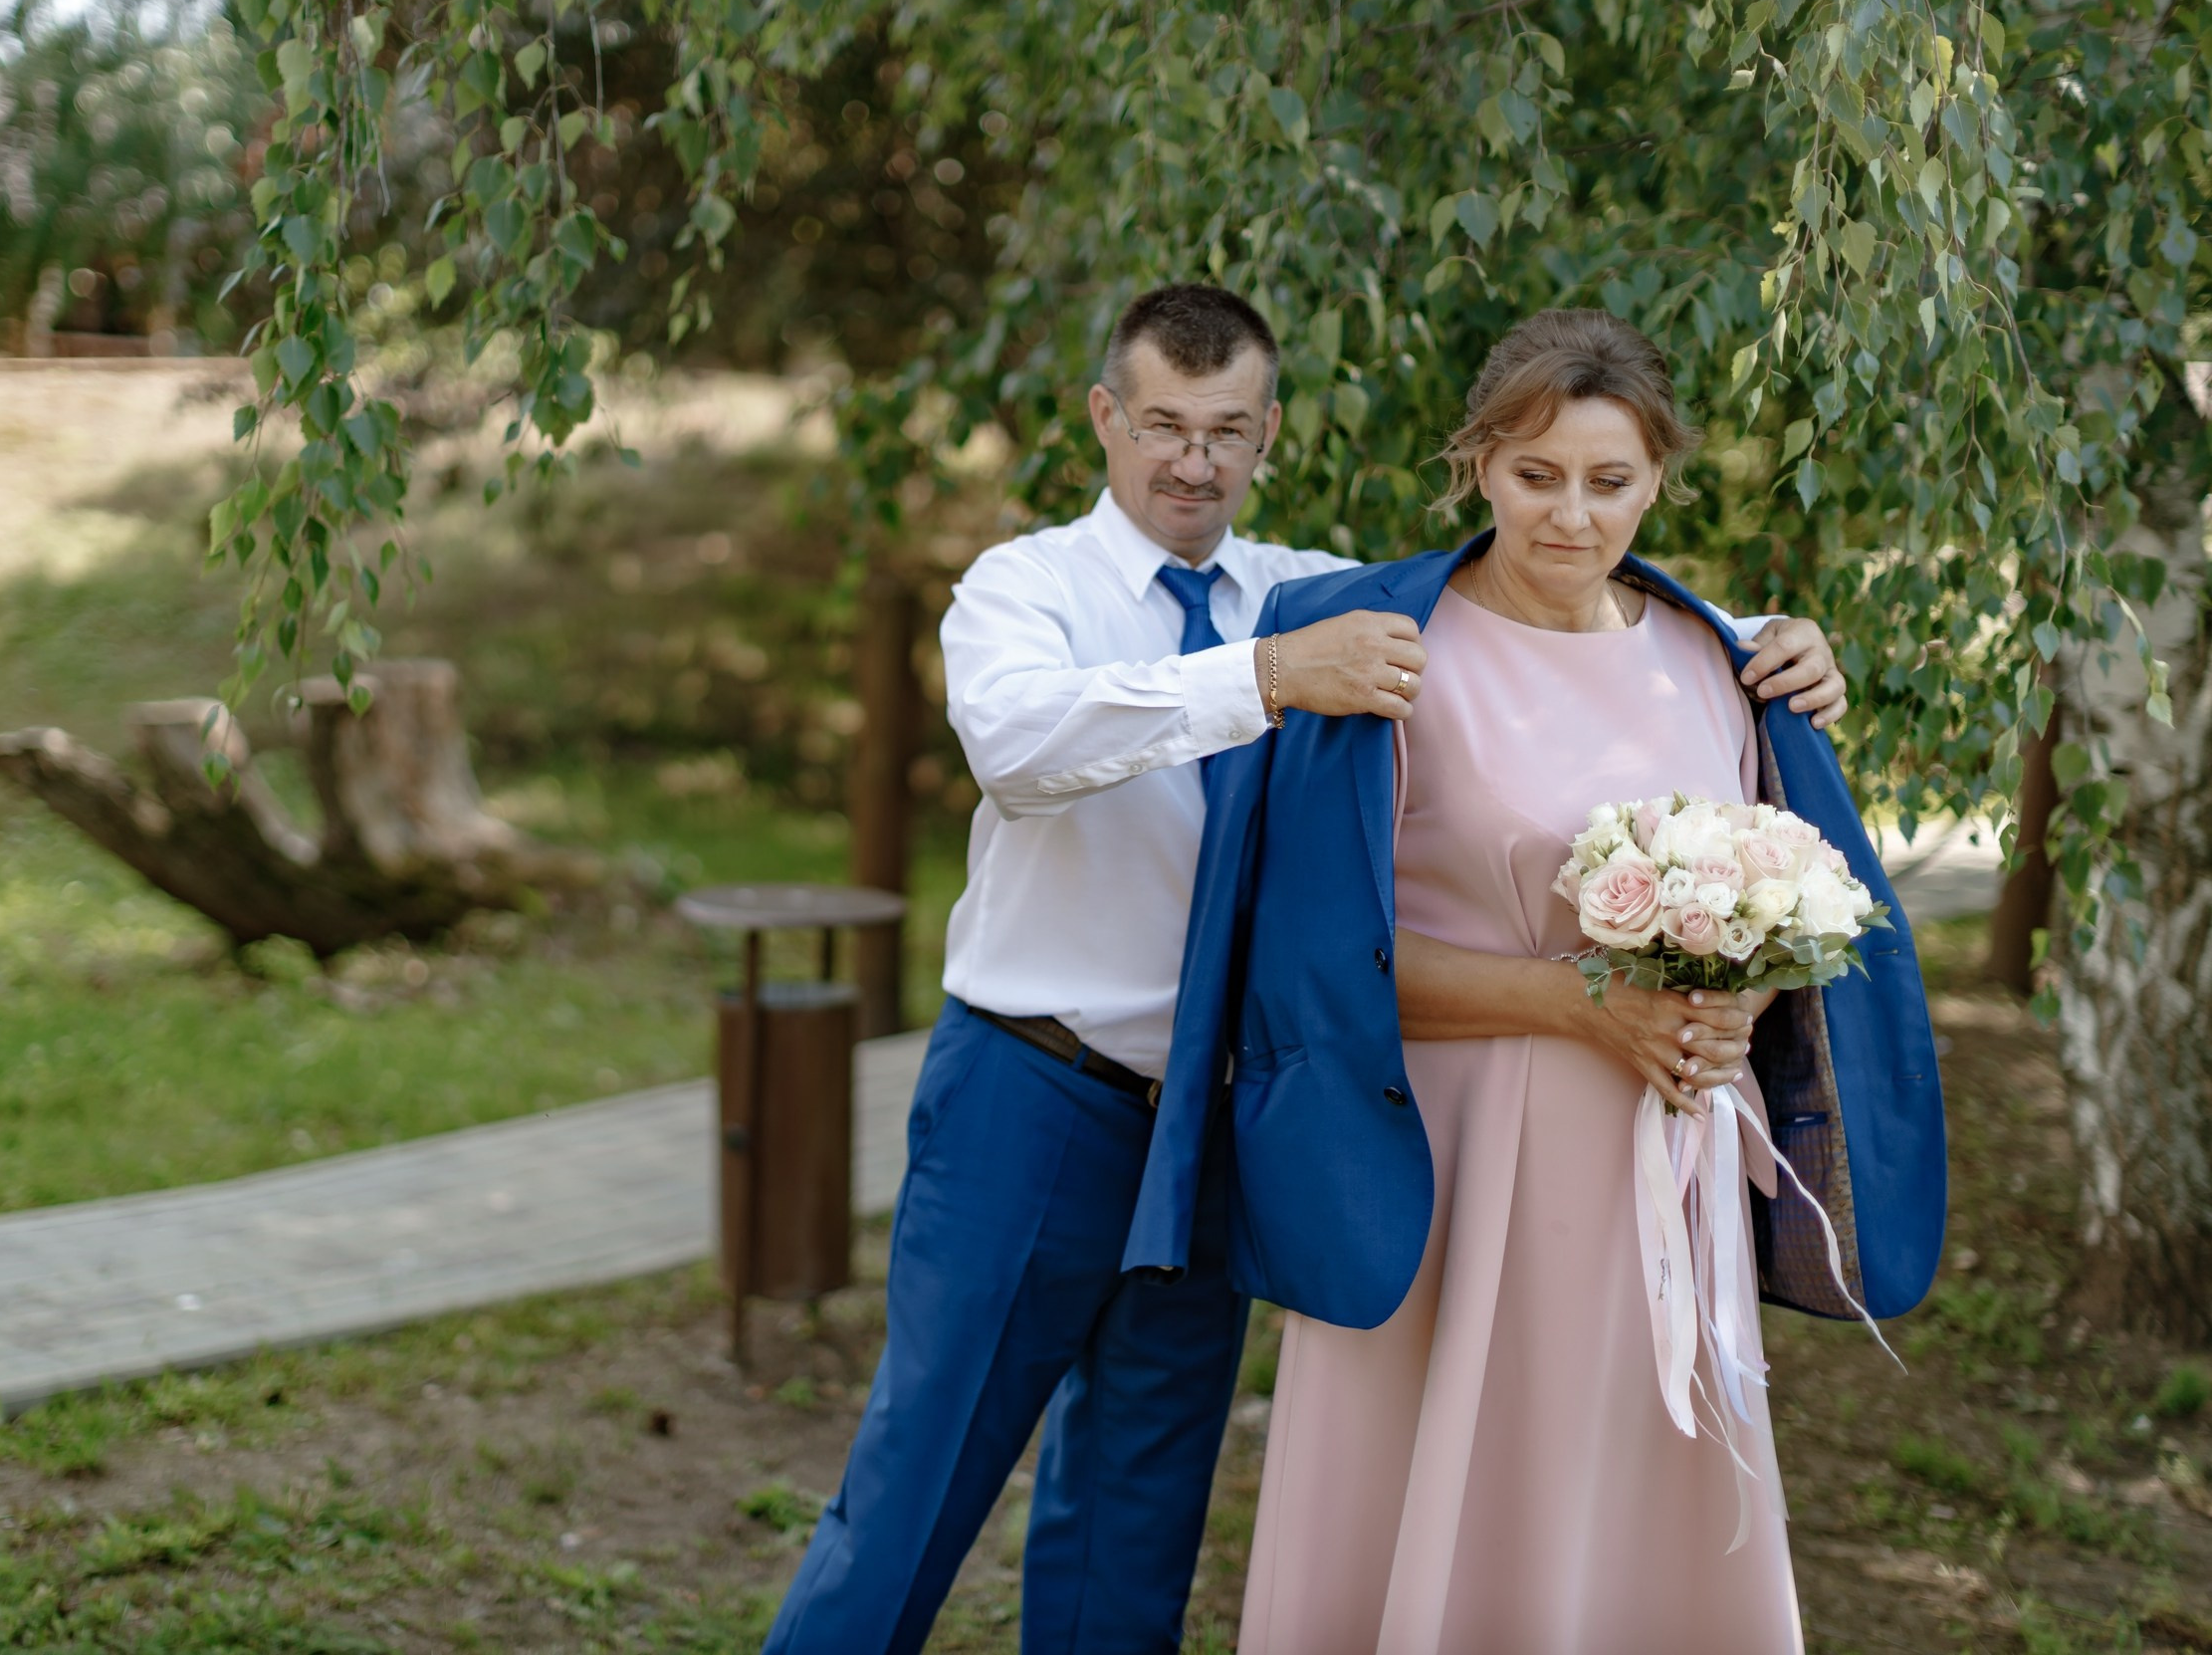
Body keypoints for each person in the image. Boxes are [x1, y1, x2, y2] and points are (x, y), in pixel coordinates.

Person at [765, 287, 1853, 1655]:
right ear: (1107, 418)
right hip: (1033, 1093)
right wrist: (1267, 675)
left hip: (1220, 1112)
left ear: (1267, 434)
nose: (1192, 461)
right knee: (914, 1488)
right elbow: (1017, 745)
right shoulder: (1032, 588)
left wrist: (1773, 639)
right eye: (1163, 423)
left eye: (1226, 430)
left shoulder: (1314, 588)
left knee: (1134, 1519)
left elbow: (1534, 596)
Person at [1127, 308, 1945, 1653]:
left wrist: (1734, 999)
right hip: (1437, 1152)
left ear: (1659, 481)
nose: (1572, 514)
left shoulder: (1717, 659)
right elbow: (1321, 967)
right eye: (1536, 474)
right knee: (1435, 1485)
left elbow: (1768, 892)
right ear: (1478, 465)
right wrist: (1588, 1003)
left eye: (1610, 481)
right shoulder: (1385, 650)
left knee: (1619, 1491)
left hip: (1653, 1159)